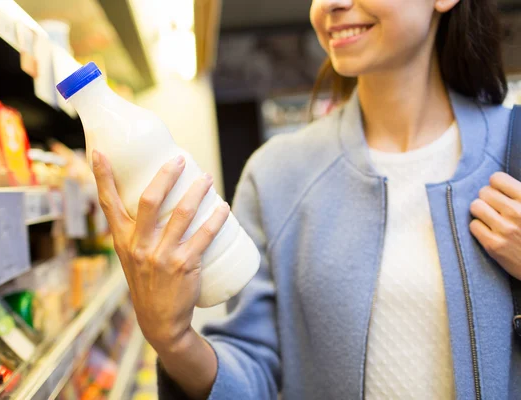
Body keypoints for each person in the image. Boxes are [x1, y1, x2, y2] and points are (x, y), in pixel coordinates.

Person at [92, 0, 521, 398]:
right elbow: (255, 372)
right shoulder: (278, 175)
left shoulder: (512, 151)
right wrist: (174, 340)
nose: (330, 4)